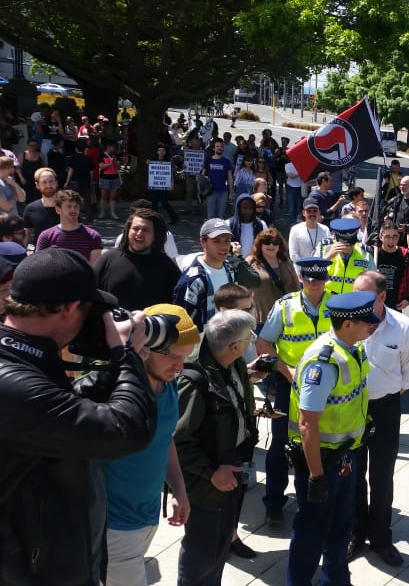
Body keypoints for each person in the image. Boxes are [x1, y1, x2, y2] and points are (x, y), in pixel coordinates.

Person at [0, 248, 155, 586]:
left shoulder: (20, 361)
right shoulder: (12, 382)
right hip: (34, 571)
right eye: (88, 310)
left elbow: (60, 411)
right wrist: (125, 356)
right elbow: (128, 429)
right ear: (70, 308)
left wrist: (113, 369)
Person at [285, 291, 378, 586]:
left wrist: (365, 423)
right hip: (322, 461)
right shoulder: (323, 363)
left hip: (344, 455)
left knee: (340, 529)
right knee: (311, 533)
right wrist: (316, 476)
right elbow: (307, 424)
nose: (371, 326)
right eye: (366, 322)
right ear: (348, 323)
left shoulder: (352, 348)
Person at [103, 304, 199, 586]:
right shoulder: (114, 394)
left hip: (147, 517)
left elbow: (165, 438)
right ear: (145, 345)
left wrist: (179, 489)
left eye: (186, 357)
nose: (180, 366)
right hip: (113, 526)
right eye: (172, 356)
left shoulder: (168, 386)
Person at [173, 309, 260, 585]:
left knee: (219, 548)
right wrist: (212, 473)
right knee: (202, 553)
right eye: (250, 339)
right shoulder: (194, 380)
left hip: (229, 469)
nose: (251, 343)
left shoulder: (229, 362)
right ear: (235, 346)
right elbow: (176, 442)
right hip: (206, 483)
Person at [255, 258, 334, 525]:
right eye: (309, 278)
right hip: (290, 387)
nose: (315, 283)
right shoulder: (285, 306)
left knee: (320, 443)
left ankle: (311, 501)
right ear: (300, 278)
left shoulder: (336, 304)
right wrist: (286, 371)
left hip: (327, 390)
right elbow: (263, 343)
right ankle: (274, 505)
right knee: (281, 446)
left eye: (320, 278)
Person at [350, 272, 409, 567]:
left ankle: (380, 537)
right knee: (352, 474)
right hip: (350, 408)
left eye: (363, 296)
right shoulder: (347, 323)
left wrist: (385, 391)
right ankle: (355, 531)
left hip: (385, 408)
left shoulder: (403, 327)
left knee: (381, 476)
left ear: (381, 297)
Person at [173, 218, 262, 330]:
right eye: (216, 241)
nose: (224, 246)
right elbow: (182, 325)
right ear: (203, 242)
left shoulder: (230, 269)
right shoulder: (193, 281)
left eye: (227, 240)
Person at [95, 209, 182, 310]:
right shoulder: (108, 259)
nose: (139, 233)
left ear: (155, 235)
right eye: (135, 228)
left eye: (146, 230)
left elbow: (177, 308)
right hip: (112, 324)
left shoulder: (167, 267)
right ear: (128, 231)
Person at [245, 228, 299, 328]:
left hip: (285, 317)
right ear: (260, 244)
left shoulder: (285, 261)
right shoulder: (250, 262)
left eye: (275, 243)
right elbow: (240, 289)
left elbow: (296, 287)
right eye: (267, 242)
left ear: (280, 245)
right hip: (259, 320)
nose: (271, 245)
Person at [34, 189, 104, 264]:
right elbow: (39, 266)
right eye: (69, 206)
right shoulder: (46, 237)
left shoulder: (92, 236)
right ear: (58, 210)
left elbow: (93, 270)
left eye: (75, 206)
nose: (73, 210)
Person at [316, 217, 376, 294]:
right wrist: (327, 258)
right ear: (335, 237)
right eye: (343, 244)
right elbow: (312, 274)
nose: (347, 247)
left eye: (351, 244)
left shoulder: (365, 252)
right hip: (327, 299)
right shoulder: (324, 247)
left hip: (353, 300)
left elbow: (373, 281)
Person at [374, 221, 409, 312]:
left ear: (399, 237)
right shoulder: (374, 254)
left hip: (396, 304)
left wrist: (407, 299)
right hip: (375, 303)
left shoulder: (404, 254)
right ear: (381, 237)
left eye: (394, 237)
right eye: (387, 237)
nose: (391, 241)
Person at [21, 166, 60, 247]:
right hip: (40, 255)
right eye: (44, 182)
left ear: (56, 183)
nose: (48, 185)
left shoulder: (68, 206)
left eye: (51, 181)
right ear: (37, 185)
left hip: (65, 254)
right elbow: (26, 236)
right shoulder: (30, 209)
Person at [288, 198, 329, 265]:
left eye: (314, 211)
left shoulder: (325, 229)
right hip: (301, 271)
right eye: (309, 211)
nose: (312, 214)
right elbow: (293, 254)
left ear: (319, 212)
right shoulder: (295, 229)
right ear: (304, 213)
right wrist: (307, 267)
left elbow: (328, 250)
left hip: (320, 270)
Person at [384, 176, 409, 246]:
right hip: (396, 236)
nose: (401, 187)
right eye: (400, 185)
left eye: (404, 185)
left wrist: (408, 227)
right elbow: (392, 211)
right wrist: (389, 218)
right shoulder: (398, 199)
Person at [147, 144, 179, 224]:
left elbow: (171, 174)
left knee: (164, 203)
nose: (161, 152)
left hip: (164, 186)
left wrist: (172, 184)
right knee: (154, 203)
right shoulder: (152, 160)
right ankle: (155, 220)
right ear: (157, 152)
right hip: (154, 185)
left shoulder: (168, 161)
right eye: (160, 150)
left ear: (165, 152)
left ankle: (174, 218)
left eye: (163, 151)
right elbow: (151, 173)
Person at [202, 140, 234, 220]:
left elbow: (230, 178)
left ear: (223, 149)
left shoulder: (226, 162)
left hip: (223, 192)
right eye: (217, 146)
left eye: (221, 146)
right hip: (211, 192)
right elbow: (202, 176)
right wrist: (202, 190)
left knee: (221, 217)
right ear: (214, 149)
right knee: (210, 216)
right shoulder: (208, 160)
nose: (219, 148)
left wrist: (231, 193)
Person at [98, 139, 123, 220]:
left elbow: (118, 166)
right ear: (108, 147)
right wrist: (110, 163)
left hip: (115, 177)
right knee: (103, 196)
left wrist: (115, 162)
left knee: (113, 196)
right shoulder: (102, 155)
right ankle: (102, 212)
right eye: (112, 146)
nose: (114, 148)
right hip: (105, 178)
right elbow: (101, 167)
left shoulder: (116, 155)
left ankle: (113, 213)